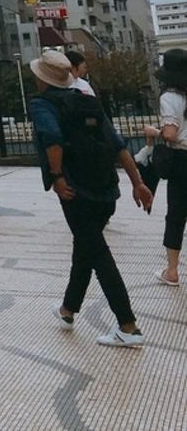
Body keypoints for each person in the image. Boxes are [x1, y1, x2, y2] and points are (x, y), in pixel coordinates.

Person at [27, 49, 152, 345]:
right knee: (85, 246)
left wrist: (57, 177)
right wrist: (138, 183)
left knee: (97, 253)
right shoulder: (89, 102)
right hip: (106, 189)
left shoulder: (42, 104)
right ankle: (68, 310)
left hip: (74, 191)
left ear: (41, 79)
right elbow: (118, 145)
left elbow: (52, 139)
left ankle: (128, 326)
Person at [145, 47, 187, 286]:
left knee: (177, 215)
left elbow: (170, 135)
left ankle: (172, 271)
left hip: (182, 161)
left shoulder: (170, 97)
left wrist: (154, 132)